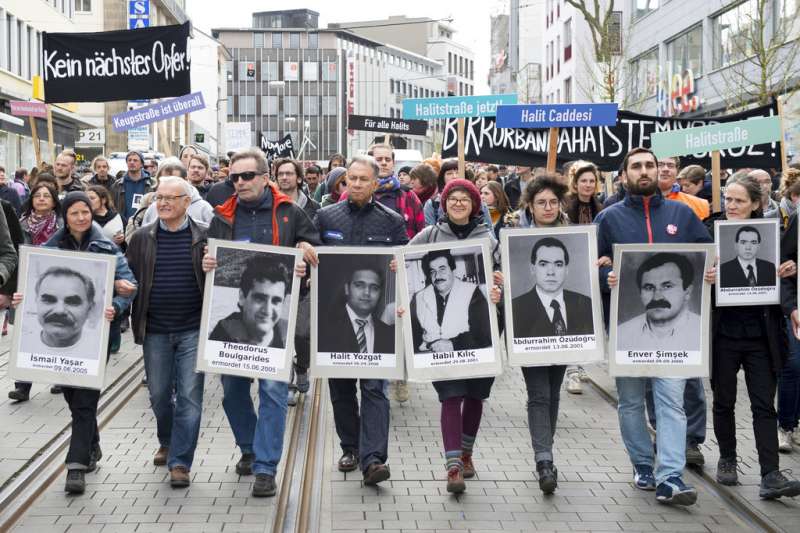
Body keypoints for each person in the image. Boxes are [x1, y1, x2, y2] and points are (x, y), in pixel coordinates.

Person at [596, 147, 713, 506]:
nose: (644, 171)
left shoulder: (683, 213)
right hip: (628, 327)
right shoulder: (608, 218)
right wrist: (606, 275)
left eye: (650, 165)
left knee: (672, 403)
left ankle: (671, 477)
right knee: (630, 402)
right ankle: (643, 465)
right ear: (625, 174)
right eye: (637, 166)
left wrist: (711, 270)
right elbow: (592, 267)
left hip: (678, 333)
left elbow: (707, 255)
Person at [202, 147, 319, 498]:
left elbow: (313, 247)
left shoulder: (290, 212)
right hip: (233, 323)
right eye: (234, 177)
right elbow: (209, 256)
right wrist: (207, 262)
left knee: (273, 393)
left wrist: (304, 255)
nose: (239, 182)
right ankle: (250, 447)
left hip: (276, 321)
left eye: (247, 176)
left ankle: (266, 467)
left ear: (265, 178)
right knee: (233, 393)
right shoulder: (221, 216)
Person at [11, 191, 137, 494]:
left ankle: (76, 465)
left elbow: (131, 286)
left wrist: (117, 305)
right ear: (65, 217)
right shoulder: (50, 248)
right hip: (57, 346)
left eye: (86, 212)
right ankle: (92, 445)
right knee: (71, 396)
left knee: (84, 400)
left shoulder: (106, 246)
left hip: (96, 337)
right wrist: (21, 296)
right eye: (75, 213)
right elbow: (31, 283)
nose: (82, 218)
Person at [310, 154, 408, 485]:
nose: (355, 184)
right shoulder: (325, 216)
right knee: (341, 390)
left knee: (374, 388)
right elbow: (311, 255)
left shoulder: (392, 220)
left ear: (376, 183)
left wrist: (400, 266)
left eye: (363, 179)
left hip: (377, 321)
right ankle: (349, 447)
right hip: (335, 320)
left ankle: (373, 459)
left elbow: (405, 260)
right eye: (351, 178)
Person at [707, 173, 800, 499]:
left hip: (762, 334)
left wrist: (790, 271)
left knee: (764, 405)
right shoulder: (710, 231)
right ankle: (728, 459)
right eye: (728, 200)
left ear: (756, 204)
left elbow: (785, 279)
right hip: (722, 333)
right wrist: (706, 273)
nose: (732, 206)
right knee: (724, 401)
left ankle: (770, 474)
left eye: (739, 201)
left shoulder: (771, 235)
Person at [406, 178, 501, 494]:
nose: (458, 203)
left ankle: (467, 453)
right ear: (443, 204)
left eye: (465, 198)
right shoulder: (429, 235)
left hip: (483, 338)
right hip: (439, 347)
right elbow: (403, 263)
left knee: (475, 395)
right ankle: (453, 467)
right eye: (452, 198)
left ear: (475, 205)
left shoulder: (488, 239)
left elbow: (504, 277)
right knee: (451, 395)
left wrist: (501, 282)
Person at [126, 176, 207, 488]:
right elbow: (128, 279)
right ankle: (167, 438)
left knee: (189, 396)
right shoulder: (142, 238)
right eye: (159, 198)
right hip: (155, 329)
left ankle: (180, 461)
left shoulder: (204, 237)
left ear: (187, 203)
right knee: (160, 394)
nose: (162, 203)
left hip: (193, 328)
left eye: (170, 198)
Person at [410, 247, 492, 353]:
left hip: (463, 355)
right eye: (432, 271)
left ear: (453, 269)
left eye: (442, 269)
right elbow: (412, 336)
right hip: (428, 357)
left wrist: (454, 344)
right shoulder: (418, 298)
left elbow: (484, 334)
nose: (437, 275)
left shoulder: (472, 292)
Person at [617, 253, 702, 350]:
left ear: (687, 292)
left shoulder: (703, 332)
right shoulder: (621, 335)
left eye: (667, 286)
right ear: (640, 293)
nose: (657, 297)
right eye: (649, 288)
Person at [512, 237, 594, 337]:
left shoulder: (586, 305)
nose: (551, 272)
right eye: (543, 264)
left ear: (566, 269)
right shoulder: (515, 308)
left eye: (558, 264)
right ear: (533, 269)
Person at [208, 259, 290, 347]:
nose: (267, 311)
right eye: (260, 298)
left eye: (276, 301)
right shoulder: (222, 335)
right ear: (242, 297)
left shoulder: (288, 336)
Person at [318, 260, 394, 353]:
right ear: (347, 289)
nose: (367, 293)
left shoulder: (390, 335)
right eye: (359, 285)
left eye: (374, 288)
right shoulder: (322, 328)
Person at [364, 144, 424, 239]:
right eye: (379, 159)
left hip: (400, 252)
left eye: (388, 160)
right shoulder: (356, 193)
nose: (384, 163)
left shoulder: (409, 196)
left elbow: (421, 235)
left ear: (393, 163)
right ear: (369, 163)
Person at [140, 159, 214, 228]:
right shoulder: (153, 209)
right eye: (164, 181)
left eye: (174, 181)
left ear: (185, 181)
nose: (168, 185)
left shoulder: (204, 209)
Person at [657, 156, 710, 221]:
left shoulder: (701, 205)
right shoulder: (641, 202)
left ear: (677, 170)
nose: (665, 169)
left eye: (670, 165)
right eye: (660, 165)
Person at [111, 150, 155, 224]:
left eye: (135, 160)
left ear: (141, 164)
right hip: (123, 226)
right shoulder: (117, 185)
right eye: (129, 160)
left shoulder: (152, 184)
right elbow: (112, 208)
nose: (132, 162)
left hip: (145, 225)